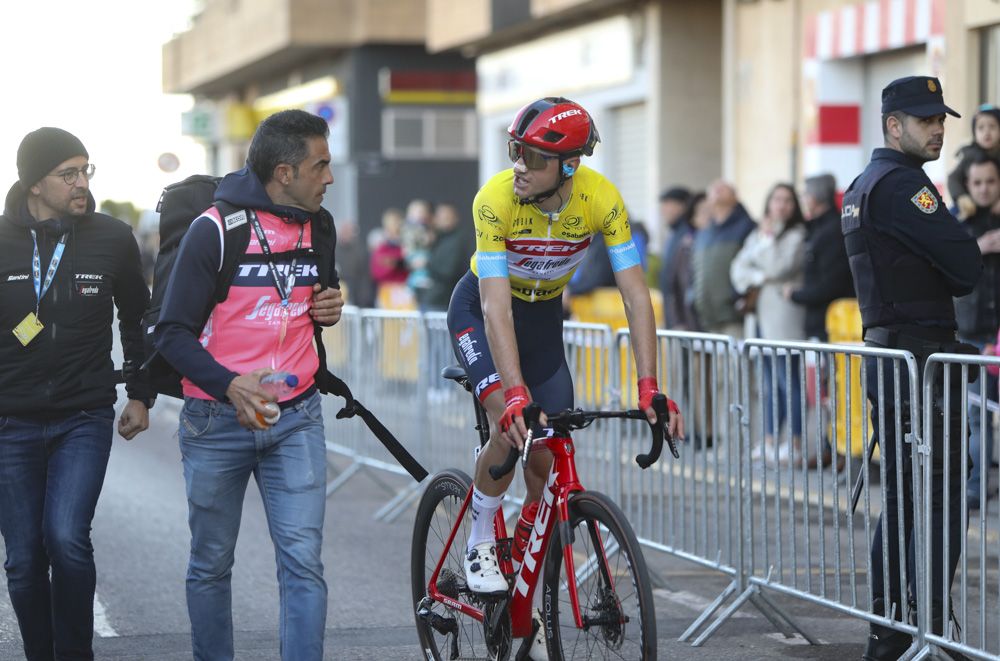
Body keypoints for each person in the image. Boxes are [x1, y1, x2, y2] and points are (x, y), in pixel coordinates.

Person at [446, 97, 684, 656]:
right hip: (483, 313)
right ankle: (482, 532)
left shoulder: (601, 199)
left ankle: (526, 570)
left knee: (548, 458)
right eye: (515, 150)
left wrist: (649, 386)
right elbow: (495, 307)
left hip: (544, 319)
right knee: (511, 426)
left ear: (569, 167)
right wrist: (515, 396)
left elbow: (635, 297)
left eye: (531, 156)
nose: (518, 165)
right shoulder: (495, 199)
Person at [153, 109, 344, 661]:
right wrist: (230, 384)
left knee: (303, 560)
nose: (328, 177)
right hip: (217, 419)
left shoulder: (318, 224)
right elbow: (171, 332)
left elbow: (309, 300)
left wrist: (328, 307)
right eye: (320, 165)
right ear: (284, 172)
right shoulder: (214, 229)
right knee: (211, 563)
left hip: (297, 416)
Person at [841, 76, 982, 661]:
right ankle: (909, 630)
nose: (938, 128)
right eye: (925, 120)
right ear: (892, 125)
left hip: (898, 356)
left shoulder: (864, 183)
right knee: (936, 499)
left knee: (907, 495)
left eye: (940, 119)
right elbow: (966, 264)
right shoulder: (903, 187)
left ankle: (897, 630)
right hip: (918, 362)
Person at [0, 127, 153, 660]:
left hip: (82, 416)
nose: (81, 183)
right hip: (9, 423)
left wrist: (141, 393)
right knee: (22, 560)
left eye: (86, 170)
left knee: (66, 540)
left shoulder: (111, 237)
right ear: (34, 183)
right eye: (69, 174)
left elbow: (138, 317)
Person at [730, 183, 807, 462]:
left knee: (789, 383)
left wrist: (768, 241)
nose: (781, 205)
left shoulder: (796, 236)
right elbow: (737, 269)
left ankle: (795, 443)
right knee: (768, 384)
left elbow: (778, 266)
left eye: (787, 200)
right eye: (776, 199)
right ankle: (771, 440)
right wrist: (760, 277)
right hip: (759, 319)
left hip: (784, 320)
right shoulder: (759, 234)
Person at [952, 153, 1000, 511]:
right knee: (977, 417)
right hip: (970, 333)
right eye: (977, 182)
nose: (984, 189)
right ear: (967, 186)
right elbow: (942, 267)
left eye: (991, 181)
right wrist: (978, 248)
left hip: (997, 332)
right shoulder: (957, 222)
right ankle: (976, 486)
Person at [785, 173, 855, 342]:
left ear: (814, 198)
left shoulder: (831, 232)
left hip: (831, 325)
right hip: (824, 322)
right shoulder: (817, 228)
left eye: (805, 195)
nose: (803, 201)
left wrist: (795, 294)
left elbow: (831, 285)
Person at [691, 179, 755, 338]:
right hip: (709, 318)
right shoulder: (704, 233)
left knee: (738, 363)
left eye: (723, 188)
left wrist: (744, 300)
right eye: (713, 188)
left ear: (735, 197)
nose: (717, 189)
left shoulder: (747, 226)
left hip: (735, 317)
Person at [946, 104, 1000, 219]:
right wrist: (962, 197)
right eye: (981, 128)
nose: (987, 132)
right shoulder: (969, 155)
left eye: (992, 126)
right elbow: (954, 178)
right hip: (973, 207)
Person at [422, 203, 470, 311]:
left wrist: (426, 264)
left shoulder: (458, 241)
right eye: (440, 217)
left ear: (455, 218)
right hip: (432, 299)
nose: (442, 220)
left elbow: (449, 271)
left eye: (447, 217)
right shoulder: (437, 239)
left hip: (444, 301)